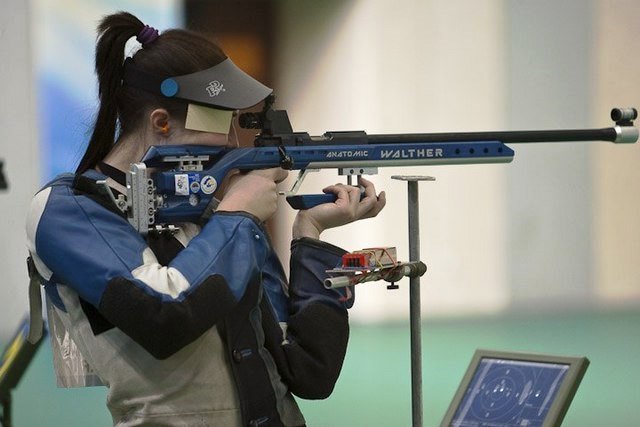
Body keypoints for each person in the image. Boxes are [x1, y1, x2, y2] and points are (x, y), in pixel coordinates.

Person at [25, 11, 385, 427]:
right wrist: (238, 214)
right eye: (221, 122)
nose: (233, 142)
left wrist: (311, 234)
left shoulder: (210, 211)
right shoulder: (68, 210)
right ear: (161, 122)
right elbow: (163, 315)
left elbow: (308, 371)